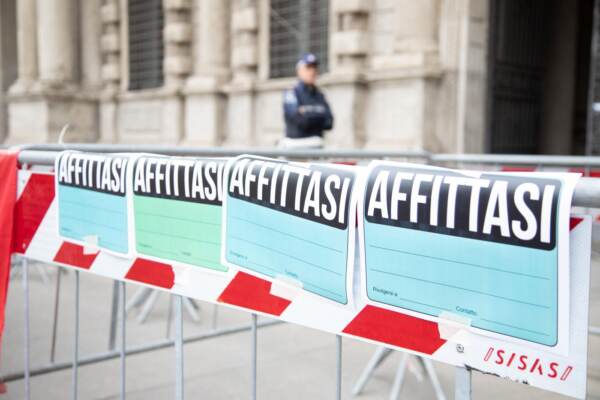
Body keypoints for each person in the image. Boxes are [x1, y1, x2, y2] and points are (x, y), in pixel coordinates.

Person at [280, 53, 333, 149]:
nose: (312, 71)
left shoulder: (320, 95)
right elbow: (298, 120)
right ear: (299, 71)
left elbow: (329, 122)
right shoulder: (291, 92)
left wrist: (306, 113)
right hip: (294, 147)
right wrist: (318, 115)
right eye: (308, 67)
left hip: (316, 146)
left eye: (314, 68)